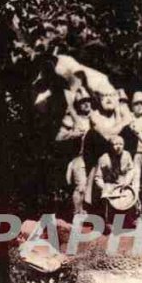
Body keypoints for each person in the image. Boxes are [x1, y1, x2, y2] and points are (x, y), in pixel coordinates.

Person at [55, 87, 93, 215]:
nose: (87, 104)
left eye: (88, 101)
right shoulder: (73, 120)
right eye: (83, 102)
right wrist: (73, 134)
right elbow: (59, 137)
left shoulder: (97, 117)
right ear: (78, 105)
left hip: (97, 159)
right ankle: (77, 213)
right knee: (81, 186)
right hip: (79, 158)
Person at [94, 135, 136, 220]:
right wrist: (104, 187)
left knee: (130, 196)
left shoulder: (127, 155)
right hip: (110, 184)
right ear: (110, 146)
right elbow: (98, 177)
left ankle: (130, 219)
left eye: (121, 144)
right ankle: (107, 221)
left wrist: (127, 181)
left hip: (123, 184)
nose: (118, 147)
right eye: (115, 144)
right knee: (107, 200)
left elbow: (131, 170)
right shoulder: (104, 158)